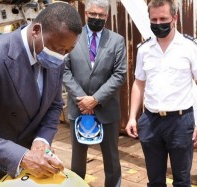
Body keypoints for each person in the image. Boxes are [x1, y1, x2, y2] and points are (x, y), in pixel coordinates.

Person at [0, 3, 82, 187]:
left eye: (68, 51)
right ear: (36, 31)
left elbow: (54, 106)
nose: (61, 56)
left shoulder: (57, 56)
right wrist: (21, 156)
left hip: (31, 167)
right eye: (58, 48)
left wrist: (41, 140)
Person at [125, 0, 197, 186]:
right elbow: (139, 83)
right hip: (151, 121)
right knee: (155, 180)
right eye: (154, 19)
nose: (158, 23)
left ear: (175, 18)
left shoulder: (191, 47)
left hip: (181, 122)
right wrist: (133, 117)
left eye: (163, 18)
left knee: (182, 180)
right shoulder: (144, 50)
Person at [63, 0, 127, 186]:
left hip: (107, 109)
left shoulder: (117, 40)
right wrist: (83, 100)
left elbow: (120, 74)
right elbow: (65, 71)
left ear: (106, 16)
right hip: (79, 108)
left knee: (112, 160)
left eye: (100, 15)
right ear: (86, 14)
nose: (96, 18)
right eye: (93, 14)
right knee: (77, 160)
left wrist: (96, 99)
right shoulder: (72, 36)